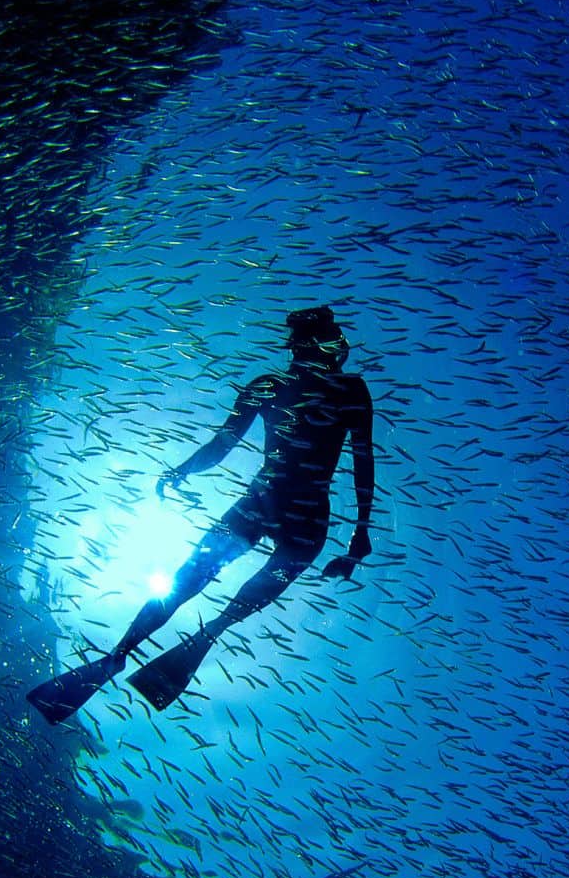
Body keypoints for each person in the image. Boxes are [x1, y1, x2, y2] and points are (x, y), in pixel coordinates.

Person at [27, 306, 375, 722]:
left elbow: (221, 447)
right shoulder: (348, 390)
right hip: (303, 516)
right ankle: (191, 638)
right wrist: (360, 532)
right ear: (330, 346)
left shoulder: (273, 385)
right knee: (204, 584)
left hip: (260, 503)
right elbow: (362, 461)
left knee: (186, 580)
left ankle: (121, 654)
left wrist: (181, 472)